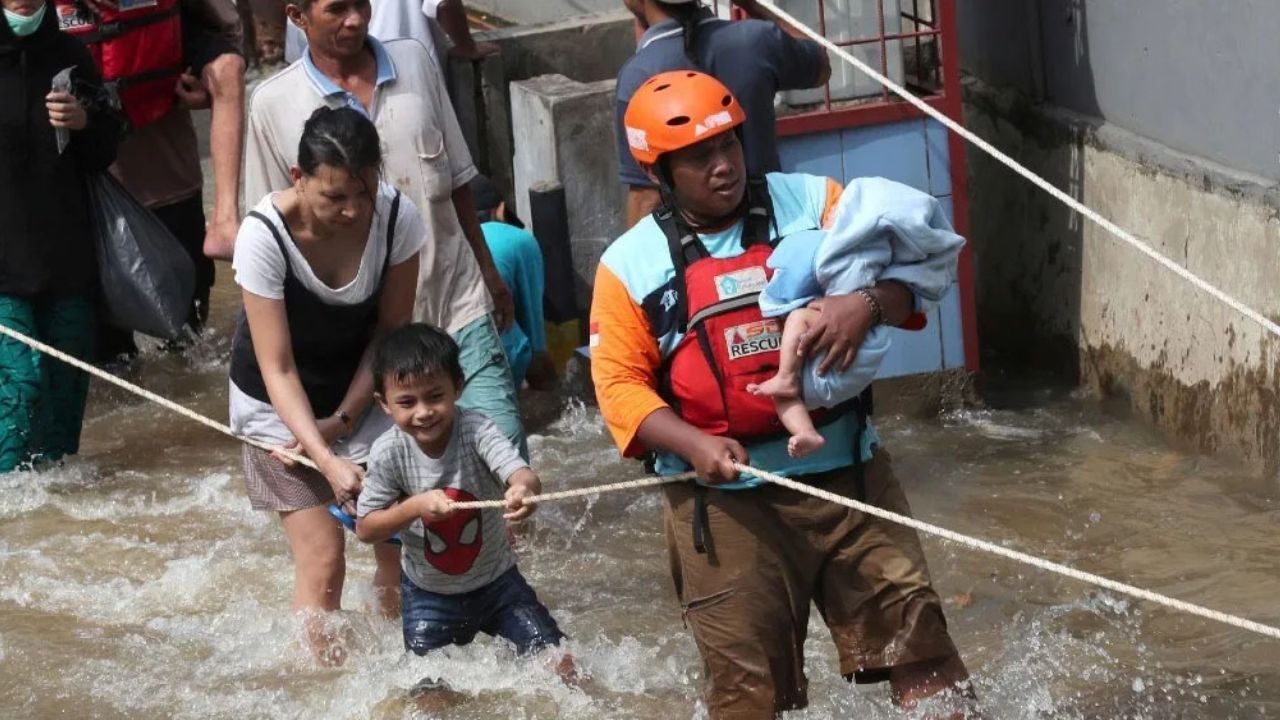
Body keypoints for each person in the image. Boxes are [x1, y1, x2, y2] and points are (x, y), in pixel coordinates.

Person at [590, 71, 973, 718]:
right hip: (724, 506)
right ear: (660, 172)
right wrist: (695, 444)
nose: (722, 166)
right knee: (748, 697)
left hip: (850, 481)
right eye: (699, 157)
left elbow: (920, 273)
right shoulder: (628, 266)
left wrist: (865, 303)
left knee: (926, 656)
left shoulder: (816, 202)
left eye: (728, 145)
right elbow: (619, 388)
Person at [245, 0, 526, 457]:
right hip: (369, 346)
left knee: (506, 457)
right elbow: (275, 237)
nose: (355, 18)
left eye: (361, 3)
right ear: (297, 17)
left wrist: (488, 273)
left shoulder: (415, 60)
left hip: (454, 304)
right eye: (337, 9)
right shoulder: (273, 105)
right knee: (408, 482)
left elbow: (456, 178)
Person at [228, 106, 422, 664]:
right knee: (325, 556)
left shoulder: (397, 218)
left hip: (363, 392)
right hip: (276, 407)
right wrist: (326, 457)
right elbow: (278, 367)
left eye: (364, 193)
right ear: (299, 177)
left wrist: (344, 420)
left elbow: (390, 334)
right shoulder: (263, 235)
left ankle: (404, 661)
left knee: (400, 545)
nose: (352, 210)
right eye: (335, 196)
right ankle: (324, 681)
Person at [356, 323, 572, 695]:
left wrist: (523, 490)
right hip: (428, 596)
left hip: (500, 584)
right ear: (384, 404)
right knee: (430, 696)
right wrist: (415, 507)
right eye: (407, 402)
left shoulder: (477, 430)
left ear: (458, 387)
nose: (423, 412)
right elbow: (366, 528)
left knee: (561, 665)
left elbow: (521, 474)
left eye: (434, 396)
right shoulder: (388, 452)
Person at [63, 0, 247, 362]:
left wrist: (209, 85)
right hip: (80, 192)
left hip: (167, 178)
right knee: (108, 358)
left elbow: (224, 42)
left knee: (190, 345)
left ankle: (225, 222)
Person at [746, 178, 965, 458]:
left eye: (837, 215)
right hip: (853, 364)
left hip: (841, 360)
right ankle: (807, 432)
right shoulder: (876, 256)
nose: (831, 218)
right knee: (788, 394)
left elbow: (804, 272)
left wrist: (864, 305)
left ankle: (787, 378)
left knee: (798, 321)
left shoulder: (840, 239)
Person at [0, 0, 122, 473]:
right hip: (3, 272)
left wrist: (84, 122)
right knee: (20, 385)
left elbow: (105, 150)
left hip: (67, 261)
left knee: (63, 407)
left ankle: (51, 508)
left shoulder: (71, 56)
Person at [616, 0, 830, 227]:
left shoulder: (638, 75)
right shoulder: (756, 40)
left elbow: (647, 198)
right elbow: (821, 67)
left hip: (696, 242)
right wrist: (755, 7)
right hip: (774, 226)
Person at [469, 174, 555, 390]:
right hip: (495, 362)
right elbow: (534, 332)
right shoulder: (519, 239)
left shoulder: (446, 240)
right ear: (499, 210)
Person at [284, 0, 498, 69]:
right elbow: (445, 4)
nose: (355, 21)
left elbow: (297, 60)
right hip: (411, 79)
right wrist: (467, 47)